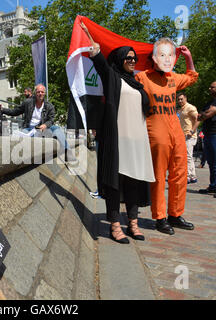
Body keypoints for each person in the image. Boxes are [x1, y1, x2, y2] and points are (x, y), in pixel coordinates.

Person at [82, 22, 155, 244]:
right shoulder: (113, 77)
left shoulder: (139, 84)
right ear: (120, 59)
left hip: (137, 141)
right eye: (128, 58)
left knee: (134, 183)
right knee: (115, 184)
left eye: (134, 58)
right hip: (117, 141)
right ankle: (115, 226)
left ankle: (133, 224)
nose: (132, 61)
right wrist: (91, 43)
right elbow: (102, 66)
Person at [135, 38, 198, 235]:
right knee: (159, 175)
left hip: (176, 131)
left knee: (180, 173)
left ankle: (175, 215)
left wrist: (188, 57)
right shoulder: (143, 77)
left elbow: (192, 76)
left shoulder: (173, 78)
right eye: (162, 55)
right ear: (154, 58)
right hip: (156, 131)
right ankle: (160, 217)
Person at [1, 84, 75, 161]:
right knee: (21, 137)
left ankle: (68, 152)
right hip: (29, 129)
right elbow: (15, 111)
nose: (40, 94)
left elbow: (51, 119)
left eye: (42, 92)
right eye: (38, 92)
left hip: (42, 128)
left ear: (45, 93)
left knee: (56, 128)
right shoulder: (27, 103)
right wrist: (3, 110)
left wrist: (45, 125)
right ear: (35, 93)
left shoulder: (49, 106)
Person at [177, 92, 200, 184]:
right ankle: (192, 176)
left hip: (189, 136)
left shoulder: (190, 107)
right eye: (178, 99)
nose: (180, 101)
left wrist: (192, 131)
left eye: (181, 99)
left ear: (186, 98)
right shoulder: (180, 109)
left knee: (187, 156)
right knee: (187, 156)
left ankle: (188, 176)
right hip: (183, 135)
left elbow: (198, 119)